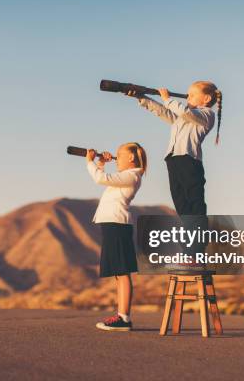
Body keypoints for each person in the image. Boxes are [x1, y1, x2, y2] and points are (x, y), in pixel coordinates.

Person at [125, 81, 222, 255]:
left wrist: (167, 98)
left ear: (206, 99)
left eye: (192, 94)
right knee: (182, 206)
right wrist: (141, 97)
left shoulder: (207, 115)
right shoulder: (185, 117)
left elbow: (184, 112)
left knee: (194, 205)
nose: (188, 97)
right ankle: (190, 249)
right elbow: (164, 112)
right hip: (173, 161)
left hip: (189, 162)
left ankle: (198, 246)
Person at [85, 142, 147, 331]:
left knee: (122, 272)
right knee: (119, 274)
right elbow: (105, 178)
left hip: (118, 225)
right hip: (113, 225)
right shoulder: (125, 176)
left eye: (119, 154)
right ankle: (122, 316)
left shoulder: (132, 175)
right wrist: (101, 164)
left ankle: (124, 318)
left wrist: (90, 162)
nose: (116, 157)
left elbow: (101, 179)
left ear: (130, 158)